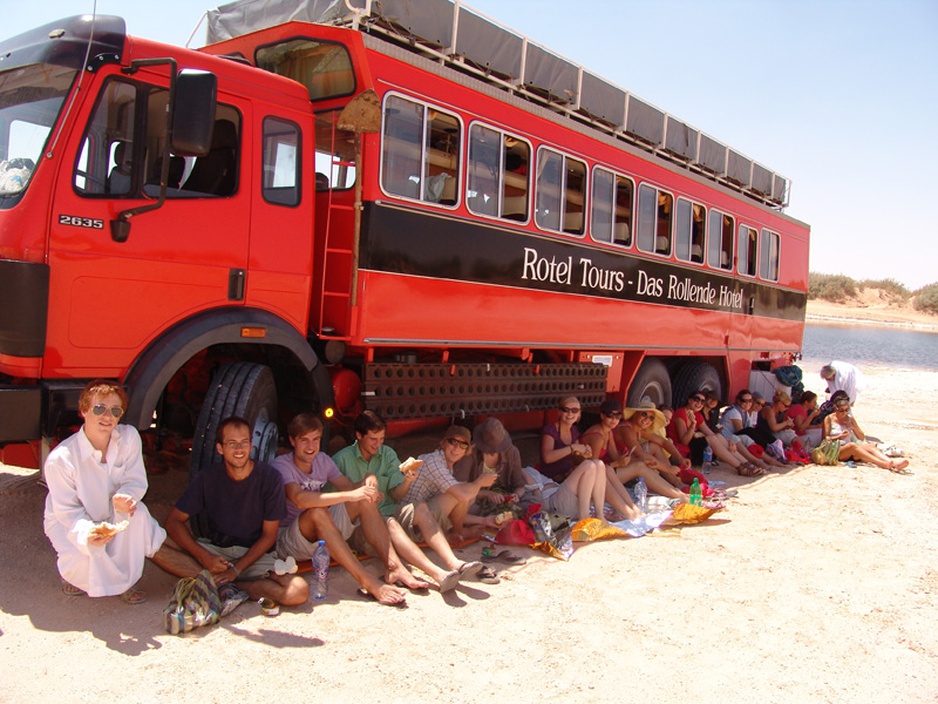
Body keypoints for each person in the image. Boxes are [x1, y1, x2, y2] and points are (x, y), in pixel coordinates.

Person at [153, 417, 309, 606]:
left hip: (255, 555)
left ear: (251, 446)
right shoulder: (207, 478)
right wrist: (205, 557)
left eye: (244, 443)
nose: (239, 450)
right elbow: (173, 521)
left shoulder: (270, 478)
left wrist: (235, 571)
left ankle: (228, 585)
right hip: (216, 551)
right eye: (232, 443)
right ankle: (220, 583)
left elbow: (269, 536)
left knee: (298, 591)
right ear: (220, 448)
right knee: (152, 543)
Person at [43, 380, 166, 604]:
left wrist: (126, 497)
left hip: (112, 511)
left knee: (137, 517)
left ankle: (125, 583)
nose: (107, 416)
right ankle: (74, 577)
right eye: (99, 408)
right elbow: (68, 512)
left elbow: (135, 479)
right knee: (84, 563)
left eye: (115, 410)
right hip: (73, 521)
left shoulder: (128, 438)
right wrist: (89, 532)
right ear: (84, 410)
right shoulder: (61, 459)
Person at [333, 411, 483, 590]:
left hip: (390, 510)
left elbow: (397, 495)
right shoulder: (341, 460)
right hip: (361, 525)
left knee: (419, 508)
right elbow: (335, 507)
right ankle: (437, 573)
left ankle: (454, 563)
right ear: (358, 435)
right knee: (390, 523)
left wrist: (407, 480)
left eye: (381, 438)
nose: (378, 444)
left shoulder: (386, 454)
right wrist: (362, 495)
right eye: (373, 439)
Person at [272, 413, 411, 606]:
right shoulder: (281, 465)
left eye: (315, 440)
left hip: (321, 538)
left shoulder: (323, 460)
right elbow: (299, 499)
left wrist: (369, 480)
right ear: (292, 441)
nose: (311, 447)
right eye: (304, 441)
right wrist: (351, 495)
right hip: (289, 541)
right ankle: (368, 582)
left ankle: (394, 566)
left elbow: (349, 487)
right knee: (317, 511)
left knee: (362, 499)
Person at [395, 426, 500, 584]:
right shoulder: (434, 462)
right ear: (443, 443)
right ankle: (459, 533)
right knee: (461, 494)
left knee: (463, 493)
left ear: (467, 450)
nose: (457, 448)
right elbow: (462, 495)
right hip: (409, 522)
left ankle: (458, 532)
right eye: (453, 442)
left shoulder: (446, 466)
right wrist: (480, 482)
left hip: (423, 516)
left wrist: (484, 520)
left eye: (462, 445)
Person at [540, 397, 643, 520]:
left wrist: (584, 453)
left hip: (570, 476)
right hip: (556, 482)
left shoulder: (574, 431)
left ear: (579, 414)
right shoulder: (551, 430)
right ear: (559, 412)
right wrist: (572, 448)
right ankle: (626, 512)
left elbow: (578, 459)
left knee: (599, 465)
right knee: (598, 466)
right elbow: (547, 457)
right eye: (566, 410)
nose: (570, 414)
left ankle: (625, 509)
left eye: (574, 411)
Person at [582, 399, 688, 505]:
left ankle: (677, 485)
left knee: (652, 450)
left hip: (609, 469)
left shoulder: (609, 432)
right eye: (644, 414)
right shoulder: (619, 430)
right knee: (640, 465)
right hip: (596, 477)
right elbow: (593, 467)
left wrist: (680, 459)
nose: (647, 419)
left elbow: (663, 442)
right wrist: (667, 468)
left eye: (651, 418)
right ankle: (678, 495)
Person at [668, 391, 765, 477]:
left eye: (702, 401)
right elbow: (684, 441)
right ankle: (740, 467)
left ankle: (746, 464)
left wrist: (728, 441)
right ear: (689, 400)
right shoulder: (680, 413)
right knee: (712, 439)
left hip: (694, 447)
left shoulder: (697, 415)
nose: (699, 403)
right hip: (682, 452)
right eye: (696, 399)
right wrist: (693, 425)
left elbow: (710, 433)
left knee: (717, 436)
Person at [453, 416, 527, 513]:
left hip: (504, 497)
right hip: (475, 497)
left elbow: (520, 486)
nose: (494, 452)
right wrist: (487, 494)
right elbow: (461, 488)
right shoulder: (470, 454)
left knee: (532, 505)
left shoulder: (512, 453)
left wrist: (515, 495)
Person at [822, 397, 911, 473]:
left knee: (871, 446)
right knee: (852, 446)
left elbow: (861, 437)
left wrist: (852, 427)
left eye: (846, 410)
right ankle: (882, 464)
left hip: (850, 450)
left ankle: (893, 463)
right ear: (835, 408)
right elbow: (825, 438)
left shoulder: (849, 418)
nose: (844, 413)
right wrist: (839, 437)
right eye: (841, 410)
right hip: (835, 450)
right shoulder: (829, 419)